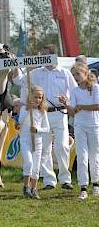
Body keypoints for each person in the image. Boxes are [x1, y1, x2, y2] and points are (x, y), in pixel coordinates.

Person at [13, 44, 77, 190]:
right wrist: (19, 66)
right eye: (42, 55)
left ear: (53, 56)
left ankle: (65, 179)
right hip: (42, 114)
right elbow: (20, 81)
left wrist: (68, 102)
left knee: (62, 146)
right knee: (45, 149)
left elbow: (74, 92)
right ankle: (49, 180)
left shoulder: (64, 73)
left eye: (46, 54)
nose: (43, 57)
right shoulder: (35, 73)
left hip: (60, 114)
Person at [59, 63, 99, 200]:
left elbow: (97, 106)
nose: (75, 77)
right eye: (74, 74)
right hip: (80, 125)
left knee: (94, 156)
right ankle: (83, 187)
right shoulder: (75, 91)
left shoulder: (95, 88)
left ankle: (96, 184)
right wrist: (66, 104)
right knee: (82, 156)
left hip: (94, 126)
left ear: (86, 73)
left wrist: (82, 106)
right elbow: (73, 112)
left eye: (78, 74)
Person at [19, 86, 50, 199]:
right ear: (30, 96)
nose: (37, 99)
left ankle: (34, 188)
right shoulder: (25, 109)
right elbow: (20, 121)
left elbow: (47, 128)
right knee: (29, 163)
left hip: (37, 142)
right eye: (35, 97)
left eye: (40, 98)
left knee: (36, 167)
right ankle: (26, 187)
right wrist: (27, 110)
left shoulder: (42, 112)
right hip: (26, 140)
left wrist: (37, 130)